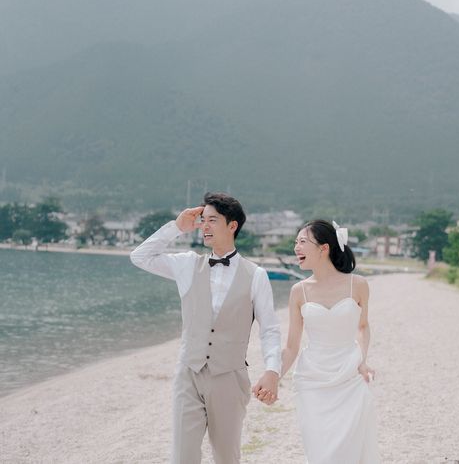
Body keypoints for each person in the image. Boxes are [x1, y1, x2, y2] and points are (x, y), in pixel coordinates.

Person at [130, 192, 281, 464]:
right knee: (183, 457)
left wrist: (272, 370)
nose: (205, 226)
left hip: (229, 378)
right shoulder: (187, 264)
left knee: (226, 457)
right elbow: (140, 256)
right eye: (203, 220)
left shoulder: (256, 275)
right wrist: (176, 227)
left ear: (232, 225)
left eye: (212, 220)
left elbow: (269, 329)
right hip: (188, 374)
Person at [270, 219, 380, 463]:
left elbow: (363, 327)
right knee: (320, 453)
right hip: (312, 380)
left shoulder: (358, 285)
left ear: (324, 248)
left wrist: (362, 361)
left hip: (349, 377)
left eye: (302, 242)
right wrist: (273, 377)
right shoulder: (299, 291)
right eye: (295, 242)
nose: (296, 247)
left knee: (349, 451)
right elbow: (291, 347)